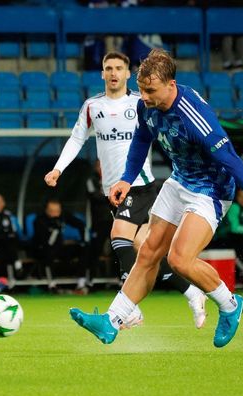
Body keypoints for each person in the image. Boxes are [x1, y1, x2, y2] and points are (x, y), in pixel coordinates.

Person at [68, 49, 243, 348]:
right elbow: (141, 141)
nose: (143, 97)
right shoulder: (147, 106)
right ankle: (112, 321)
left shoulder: (195, 116)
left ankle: (230, 305)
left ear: (171, 85)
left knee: (179, 259)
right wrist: (125, 179)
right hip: (178, 182)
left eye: (150, 90)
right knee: (147, 252)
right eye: (142, 89)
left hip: (210, 191)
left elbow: (234, 162)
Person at [45, 51, 207, 329]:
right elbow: (76, 139)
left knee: (118, 237)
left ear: (128, 73)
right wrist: (58, 169)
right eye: (108, 68)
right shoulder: (92, 106)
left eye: (118, 68)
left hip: (139, 184)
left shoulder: (141, 101)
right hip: (113, 191)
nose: (113, 73)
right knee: (146, 251)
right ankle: (192, 293)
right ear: (102, 73)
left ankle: (128, 309)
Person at [31, 198, 88, 290]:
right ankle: (52, 284)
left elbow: (80, 224)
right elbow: (47, 242)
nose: (55, 214)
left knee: (83, 248)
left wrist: (83, 240)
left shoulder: (63, 215)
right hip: (44, 249)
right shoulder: (39, 220)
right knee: (48, 252)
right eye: (52, 211)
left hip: (60, 248)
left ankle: (81, 283)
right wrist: (55, 229)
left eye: (57, 211)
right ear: (46, 210)